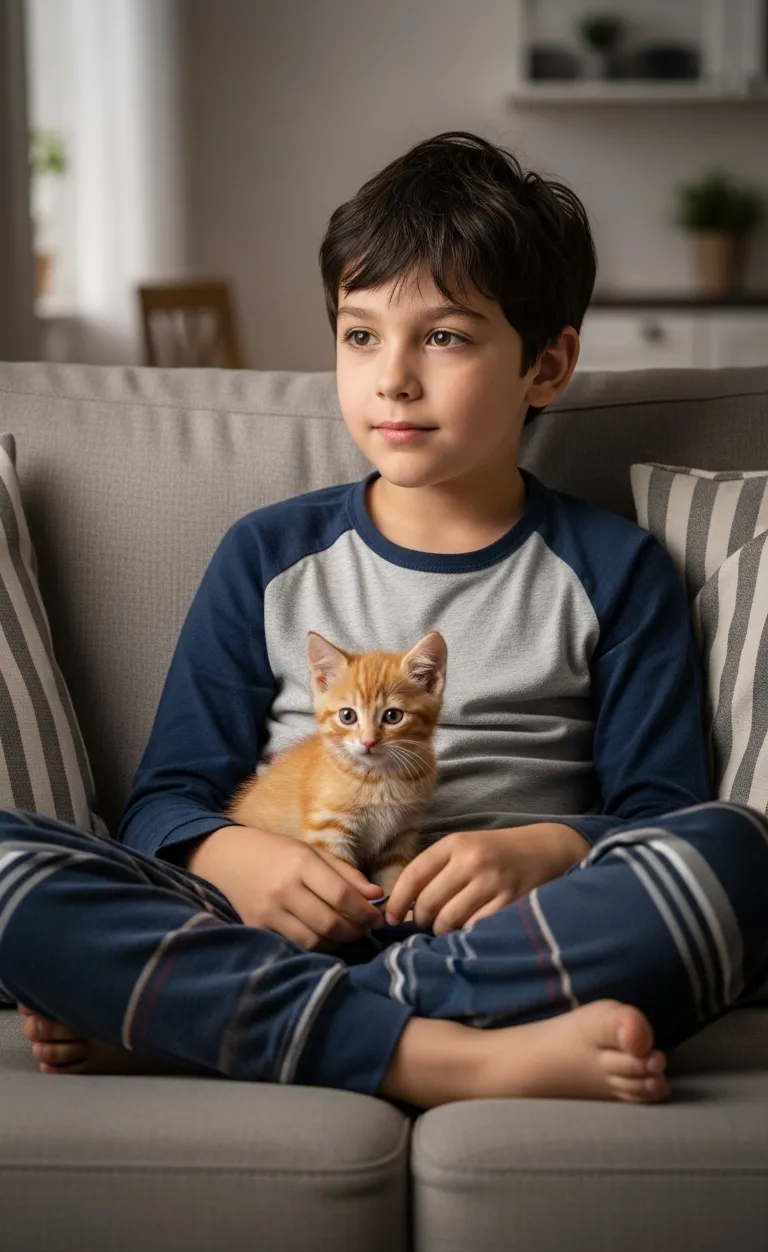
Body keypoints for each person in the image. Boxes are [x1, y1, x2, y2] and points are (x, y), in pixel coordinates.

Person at [5, 131, 768, 1109]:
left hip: (510, 933)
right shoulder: (267, 555)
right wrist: (237, 856)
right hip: (266, 918)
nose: (392, 377)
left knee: (740, 857)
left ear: (547, 363)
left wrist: (547, 848)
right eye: (360, 334)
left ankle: (208, 1022)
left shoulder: (615, 569)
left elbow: (666, 813)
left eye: (443, 337)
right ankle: (448, 1056)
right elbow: (164, 802)